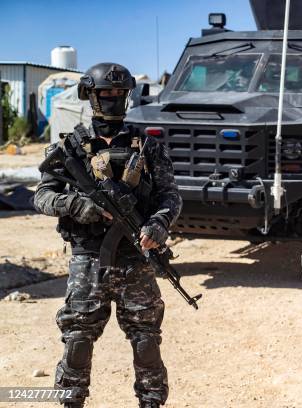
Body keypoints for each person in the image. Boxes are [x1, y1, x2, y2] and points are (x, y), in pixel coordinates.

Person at [34, 63, 182, 408]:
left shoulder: (147, 146)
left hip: (136, 260)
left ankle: (151, 401)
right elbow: (41, 196)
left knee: (146, 340)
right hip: (88, 260)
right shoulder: (70, 147)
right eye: (105, 94)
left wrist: (159, 225)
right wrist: (75, 205)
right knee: (78, 339)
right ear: (91, 96)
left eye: (119, 94)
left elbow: (170, 197)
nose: (113, 100)